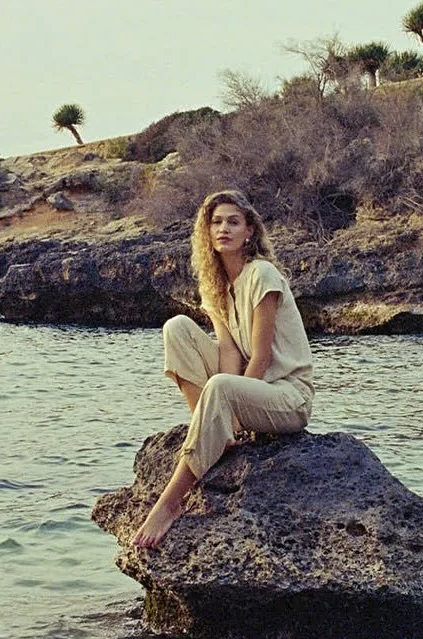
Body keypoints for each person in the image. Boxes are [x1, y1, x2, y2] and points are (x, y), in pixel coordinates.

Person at [133, 189, 314, 548]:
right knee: (177, 329)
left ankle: (170, 503)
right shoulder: (215, 286)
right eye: (216, 222)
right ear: (207, 231)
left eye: (233, 221)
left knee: (220, 386)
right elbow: (230, 351)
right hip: (250, 394)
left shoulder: (263, 275)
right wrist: (224, 418)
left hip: (287, 398)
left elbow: (260, 357)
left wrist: (230, 403)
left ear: (249, 230)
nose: (224, 229)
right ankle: (217, 437)